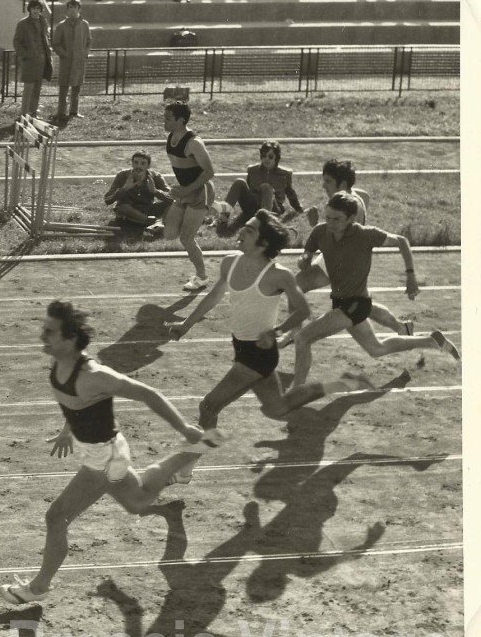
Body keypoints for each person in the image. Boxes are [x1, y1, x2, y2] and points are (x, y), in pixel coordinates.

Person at [0, 300, 217, 604]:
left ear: (70, 338)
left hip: (104, 458)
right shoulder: (60, 361)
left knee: (56, 517)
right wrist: (66, 430)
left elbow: (148, 394)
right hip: (101, 453)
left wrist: (183, 427)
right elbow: (74, 405)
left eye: (50, 331)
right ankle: (191, 453)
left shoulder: (94, 375)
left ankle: (37, 589)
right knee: (137, 502)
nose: (42, 336)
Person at [168, 210, 376, 481]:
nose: (241, 231)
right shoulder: (230, 262)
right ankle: (338, 384)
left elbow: (302, 310)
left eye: (250, 230)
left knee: (209, 406)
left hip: (259, 353)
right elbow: (214, 295)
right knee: (276, 408)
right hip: (241, 347)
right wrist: (186, 325)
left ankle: (186, 469)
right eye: (245, 227)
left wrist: (277, 332)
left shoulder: (279, 276)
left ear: (264, 244)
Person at [287, 192, 459, 391]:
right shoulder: (319, 232)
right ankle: (432, 341)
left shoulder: (366, 235)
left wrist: (411, 276)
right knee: (377, 349)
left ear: (351, 219)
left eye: (337, 219)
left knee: (302, 338)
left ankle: (296, 392)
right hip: (341, 302)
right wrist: (304, 260)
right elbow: (305, 258)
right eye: (328, 217)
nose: (331, 223)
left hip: (356, 305)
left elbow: (402, 241)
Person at [290, 159, 412, 339]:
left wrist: (315, 224)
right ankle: (402, 327)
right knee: (363, 304)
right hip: (344, 258)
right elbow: (366, 195)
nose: (323, 185)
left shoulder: (349, 207)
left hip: (340, 259)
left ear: (343, 184)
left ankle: (295, 336)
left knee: (296, 287)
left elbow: (338, 238)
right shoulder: (351, 198)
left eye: (328, 181)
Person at [162, 100, 216, 291]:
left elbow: (209, 172)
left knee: (186, 238)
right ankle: (216, 210)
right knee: (169, 234)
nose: (164, 122)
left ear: (180, 120)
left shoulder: (194, 143)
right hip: (185, 190)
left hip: (200, 192)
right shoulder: (170, 138)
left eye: (168, 119)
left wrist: (187, 189)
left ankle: (201, 277)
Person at [220, 140, 303, 229]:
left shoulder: (284, 174)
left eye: (270, 156)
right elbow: (248, 189)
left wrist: (299, 209)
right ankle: (223, 218)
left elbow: (291, 194)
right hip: (253, 207)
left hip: (272, 209)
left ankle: (264, 223)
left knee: (266, 187)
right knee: (239, 182)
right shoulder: (252, 170)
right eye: (264, 155)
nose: (266, 159)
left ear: (276, 158)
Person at [101, 150, 172, 226]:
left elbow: (173, 197)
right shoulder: (122, 175)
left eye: (143, 163)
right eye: (136, 162)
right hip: (129, 210)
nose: (138, 166)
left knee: (173, 204)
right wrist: (124, 189)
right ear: (132, 164)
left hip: (148, 208)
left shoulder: (155, 176)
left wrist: (155, 191)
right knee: (122, 207)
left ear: (148, 166)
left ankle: (159, 223)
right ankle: (152, 222)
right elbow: (107, 199)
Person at [51, 0, 91, 122]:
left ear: (79, 9)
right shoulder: (61, 26)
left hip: (79, 61)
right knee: (63, 86)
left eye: (75, 7)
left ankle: (74, 111)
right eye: (70, 7)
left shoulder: (84, 25)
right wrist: (63, 54)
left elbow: (89, 41)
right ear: (67, 10)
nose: (72, 10)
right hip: (66, 61)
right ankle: (61, 112)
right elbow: (56, 43)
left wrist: (84, 53)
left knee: (76, 86)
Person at [13, 0, 53, 118]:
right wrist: (25, 55)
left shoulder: (43, 22)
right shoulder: (23, 23)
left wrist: (48, 51)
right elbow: (17, 42)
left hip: (42, 60)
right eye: (33, 8)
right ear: (29, 9)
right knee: (28, 88)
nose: (35, 11)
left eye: (38, 8)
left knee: (37, 88)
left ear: (41, 9)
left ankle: (33, 112)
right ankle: (24, 114)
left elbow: (46, 38)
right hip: (30, 61)